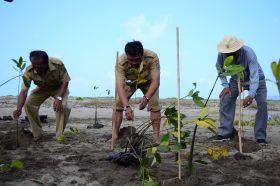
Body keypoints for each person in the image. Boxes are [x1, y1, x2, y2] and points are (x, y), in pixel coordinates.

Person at [215, 36, 268, 144]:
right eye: (227, 53)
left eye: (232, 53)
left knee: (262, 103)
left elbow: (254, 76)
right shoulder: (221, 54)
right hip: (236, 79)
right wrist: (225, 86)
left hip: (257, 79)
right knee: (226, 98)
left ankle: (260, 136)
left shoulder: (249, 53)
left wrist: (251, 95)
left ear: (238, 49)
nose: (229, 56)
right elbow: (220, 68)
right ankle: (225, 132)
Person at [112, 41, 161, 148]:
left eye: (137, 59)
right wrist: (127, 107)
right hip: (130, 82)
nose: (134, 63)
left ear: (142, 54)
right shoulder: (121, 61)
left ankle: (156, 137)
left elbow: (156, 81)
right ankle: (114, 136)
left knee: (155, 105)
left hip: (148, 82)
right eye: (131, 60)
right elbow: (120, 86)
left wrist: (146, 97)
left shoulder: (152, 57)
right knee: (118, 105)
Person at [13, 50, 71, 141]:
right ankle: (37, 134)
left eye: (39, 65)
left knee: (63, 106)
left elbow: (65, 81)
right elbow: (24, 92)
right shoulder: (29, 71)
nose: (35, 68)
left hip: (59, 88)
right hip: (42, 88)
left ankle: (59, 135)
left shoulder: (57, 64)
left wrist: (59, 98)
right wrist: (19, 108)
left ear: (46, 63)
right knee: (28, 103)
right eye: (33, 64)